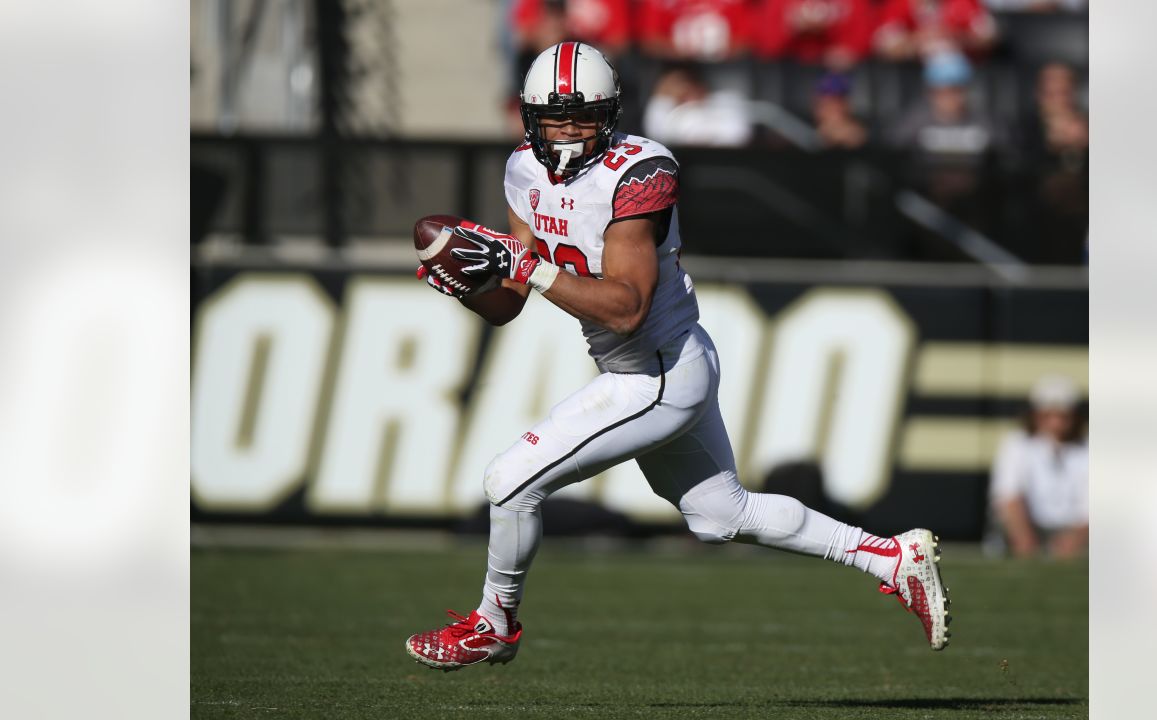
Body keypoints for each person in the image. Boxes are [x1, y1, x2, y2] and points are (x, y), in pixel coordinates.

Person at [404, 42, 952, 671]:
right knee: (722, 514)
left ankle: (494, 623)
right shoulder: (523, 170)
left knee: (509, 483)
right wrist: (470, 289)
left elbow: (625, 306)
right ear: (530, 117)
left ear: (611, 114)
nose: (570, 131)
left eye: (584, 116)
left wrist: (524, 263)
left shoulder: (639, 170)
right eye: (556, 117)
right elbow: (510, 302)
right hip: (644, 367)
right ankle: (892, 557)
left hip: (658, 372)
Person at [988, 375, 1088, 559]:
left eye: (1063, 416)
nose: (1055, 423)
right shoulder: (1017, 443)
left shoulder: (1087, 449)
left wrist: (1074, 541)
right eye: (1047, 415)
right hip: (1030, 530)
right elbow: (1009, 497)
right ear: (1035, 415)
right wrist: (1026, 543)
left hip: (1074, 535)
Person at [642, 64, 752, 147]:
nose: (682, 89)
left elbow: (739, 134)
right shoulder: (667, 114)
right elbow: (655, 133)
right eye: (673, 86)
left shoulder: (726, 100)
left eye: (685, 83)